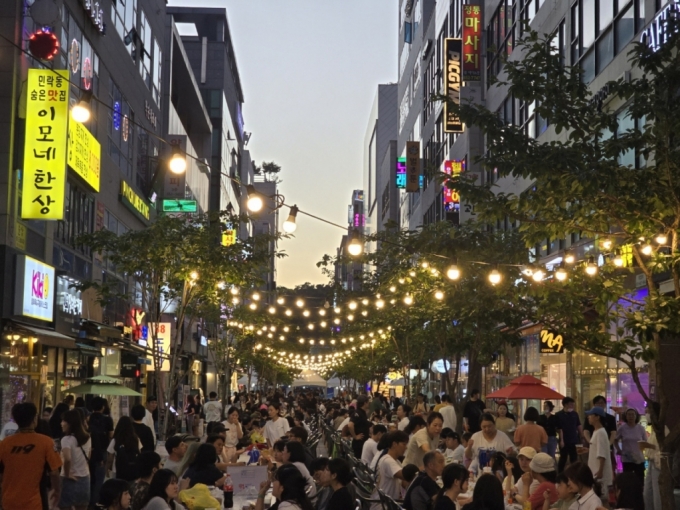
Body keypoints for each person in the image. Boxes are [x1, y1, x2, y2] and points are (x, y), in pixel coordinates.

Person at [0, 402, 63, 510]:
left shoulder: (5, 443)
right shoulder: (46, 442)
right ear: (35, 419)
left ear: (15, 420)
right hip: (35, 502)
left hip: (8, 501)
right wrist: (56, 490)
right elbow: (54, 472)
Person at [59, 408, 92, 510]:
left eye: (64, 421)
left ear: (70, 423)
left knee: (65, 507)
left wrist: (68, 473)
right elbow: (89, 456)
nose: (61, 423)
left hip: (69, 479)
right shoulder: (88, 437)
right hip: (84, 478)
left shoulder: (66, 440)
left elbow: (67, 459)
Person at [372, 431, 410, 510]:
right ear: (394, 444)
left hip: (388, 503)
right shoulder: (388, 461)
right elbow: (404, 475)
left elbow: (404, 482)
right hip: (383, 506)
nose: (406, 447)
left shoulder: (395, 461)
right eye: (404, 444)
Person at [581, 407, 613, 499]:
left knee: (601, 498)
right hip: (595, 471)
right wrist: (589, 450)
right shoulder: (596, 431)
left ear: (597, 417)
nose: (588, 417)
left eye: (590, 415)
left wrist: (600, 471)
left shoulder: (600, 433)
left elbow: (602, 454)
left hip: (599, 473)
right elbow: (599, 449)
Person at [89, 396, 114, 507]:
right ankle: (95, 503)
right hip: (103, 451)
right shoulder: (107, 419)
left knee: (90, 477)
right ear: (103, 407)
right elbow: (111, 435)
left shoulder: (88, 419)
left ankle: (88, 502)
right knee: (99, 479)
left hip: (88, 451)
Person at [614, 408, 646, 483]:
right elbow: (615, 440)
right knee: (627, 480)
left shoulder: (641, 428)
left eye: (632, 414)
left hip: (639, 458)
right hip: (627, 458)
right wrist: (619, 450)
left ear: (636, 416)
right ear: (626, 416)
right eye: (629, 415)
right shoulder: (622, 428)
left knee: (639, 480)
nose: (631, 416)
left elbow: (645, 441)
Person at [107, 416, 141, 482]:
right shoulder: (136, 439)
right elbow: (139, 453)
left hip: (117, 470)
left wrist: (107, 468)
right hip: (132, 469)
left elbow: (110, 458)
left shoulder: (115, 440)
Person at [555, 397, 584, 473]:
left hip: (574, 440)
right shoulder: (558, 415)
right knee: (563, 458)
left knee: (574, 458)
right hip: (564, 440)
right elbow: (558, 428)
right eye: (571, 404)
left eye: (573, 404)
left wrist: (582, 436)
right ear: (565, 405)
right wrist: (561, 440)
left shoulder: (575, 414)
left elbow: (579, 426)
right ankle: (560, 474)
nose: (572, 406)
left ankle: (574, 474)